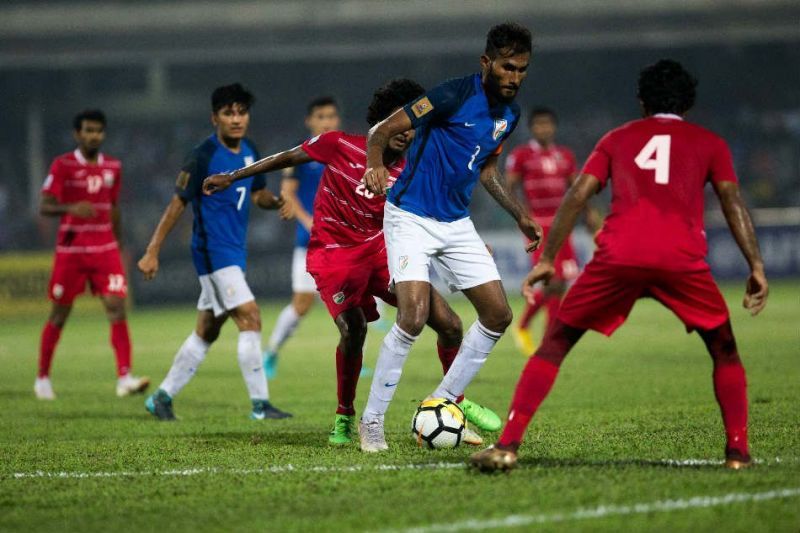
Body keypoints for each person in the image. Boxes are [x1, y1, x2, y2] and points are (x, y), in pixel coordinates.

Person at [470, 59, 768, 472]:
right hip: (680, 258)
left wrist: (549, 259)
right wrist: (755, 264)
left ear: (643, 102)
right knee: (724, 349)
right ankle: (737, 453)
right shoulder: (709, 143)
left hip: (619, 254)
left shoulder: (617, 138)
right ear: (689, 103)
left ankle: (507, 446)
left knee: (556, 342)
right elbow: (732, 202)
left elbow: (576, 195)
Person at [203, 79, 498, 446]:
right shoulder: (339, 144)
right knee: (353, 331)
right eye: (398, 122)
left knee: (450, 324)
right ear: (382, 120)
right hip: (335, 256)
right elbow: (287, 157)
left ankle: (454, 402)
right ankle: (346, 415)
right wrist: (232, 177)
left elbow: (440, 213)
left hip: (380, 253)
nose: (405, 133)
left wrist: (473, 242)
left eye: (412, 126)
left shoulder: (411, 170)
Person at [359, 22, 542, 452]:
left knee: (498, 315)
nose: (514, 77)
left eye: (522, 69)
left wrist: (519, 214)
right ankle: (371, 422)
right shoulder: (450, 96)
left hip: (456, 223)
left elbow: (487, 171)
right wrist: (376, 164)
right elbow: (380, 132)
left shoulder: (509, 116)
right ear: (487, 63)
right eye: (507, 67)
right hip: (410, 217)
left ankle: (441, 402)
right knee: (413, 316)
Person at [137, 83, 290, 421]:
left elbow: (257, 194)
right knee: (250, 315)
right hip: (211, 251)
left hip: (235, 251)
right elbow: (178, 204)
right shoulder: (202, 155)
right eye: (228, 113)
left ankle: (161, 398)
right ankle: (261, 405)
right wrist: (153, 250)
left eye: (241, 112)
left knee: (208, 329)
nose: (236, 119)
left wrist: (276, 201)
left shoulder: (250, 149)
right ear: (214, 118)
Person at [36, 109, 149, 400]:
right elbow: (45, 206)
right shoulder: (62, 165)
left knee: (116, 307)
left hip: (105, 248)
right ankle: (42, 377)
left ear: (103, 134)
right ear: (78, 134)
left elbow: (114, 208)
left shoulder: (113, 166)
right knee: (60, 313)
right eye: (88, 130)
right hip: (72, 250)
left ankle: (125, 377)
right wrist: (70, 208)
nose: (93, 135)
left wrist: (120, 245)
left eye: (98, 130)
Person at [506, 107, 600, 354]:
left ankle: (542, 337)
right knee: (551, 281)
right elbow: (509, 187)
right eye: (538, 124)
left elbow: (576, 188)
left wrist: (589, 212)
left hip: (563, 225)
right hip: (538, 225)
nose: (543, 128)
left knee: (561, 284)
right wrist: (521, 215)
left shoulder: (565, 155)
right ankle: (533, 331)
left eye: (547, 124)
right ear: (532, 128)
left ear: (553, 127)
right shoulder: (521, 155)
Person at [262, 96, 340, 378]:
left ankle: (355, 356)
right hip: (310, 242)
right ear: (310, 121)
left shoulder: (347, 151)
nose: (327, 121)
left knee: (354, 304)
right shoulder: (300, 155)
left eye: (331, 116)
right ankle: (271, 350)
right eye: (321, 116)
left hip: (345, 242)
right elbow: (287, 195)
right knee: (302, 304)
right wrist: (311, 224)